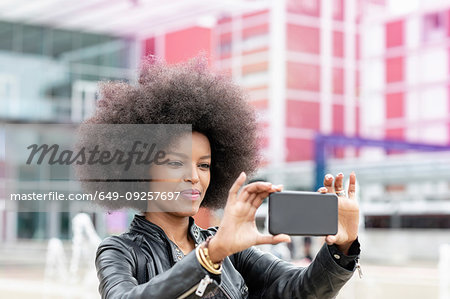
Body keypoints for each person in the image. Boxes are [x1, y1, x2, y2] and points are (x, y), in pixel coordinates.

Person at [88, 57, 361, 298]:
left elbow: (300, 289)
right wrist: (209, 256)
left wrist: (343, 247)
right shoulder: (119, 251)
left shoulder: (228, 245)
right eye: (175, 162)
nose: (194, 177)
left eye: (204, 165)